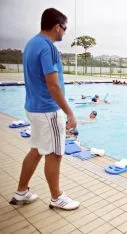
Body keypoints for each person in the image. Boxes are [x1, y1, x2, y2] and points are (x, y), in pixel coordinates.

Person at [9, 8, 79, 210]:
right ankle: (57, 197)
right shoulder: (48, 47)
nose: (64, 33)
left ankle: (21, 192)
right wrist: (69, 112)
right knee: (55, 154)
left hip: (34, 107)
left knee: (37, 151)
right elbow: (53, 85)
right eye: (64, 29)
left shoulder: (31, 44)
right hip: (48, 109)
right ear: (57, 26)